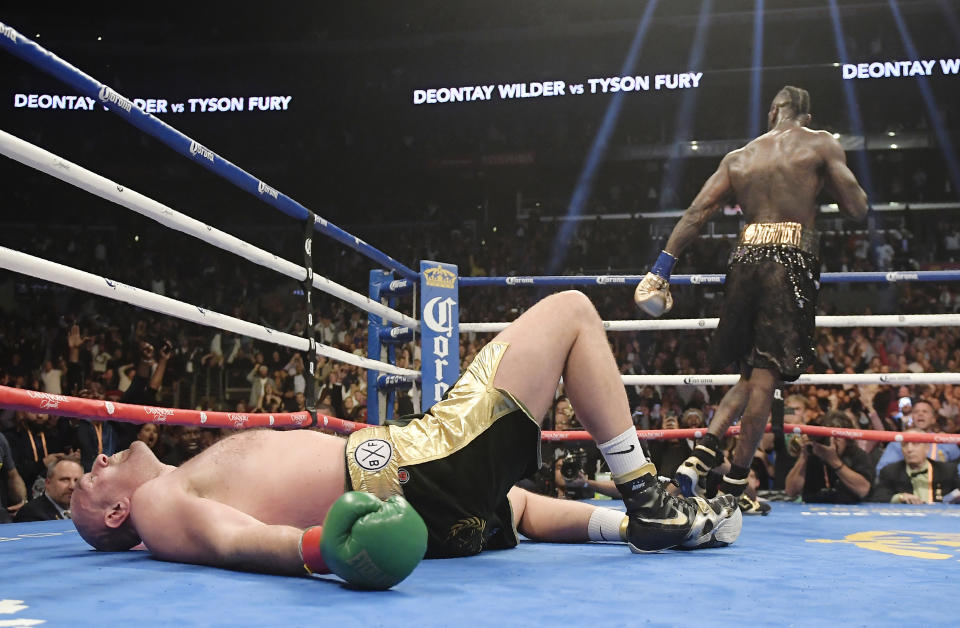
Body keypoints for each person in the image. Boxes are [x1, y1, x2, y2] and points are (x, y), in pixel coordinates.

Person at [70, 291, 740, 589]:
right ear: (115, 513)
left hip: (425, 509)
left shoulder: (175, 483)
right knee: (571, 312)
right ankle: (650, 496)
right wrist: (328, 547)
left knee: (507, 504)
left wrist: (621, 529)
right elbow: (232, 542)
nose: (96, 461)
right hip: (407, 469)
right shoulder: (159, 502)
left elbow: (523, 511)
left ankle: (649, 522)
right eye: (87, 484)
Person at [633, 85, 868, 514]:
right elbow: (857, 208)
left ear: (774, 111)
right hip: (790, 259)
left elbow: (696, 213)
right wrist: (821, 181)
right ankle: (733, 485)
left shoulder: (738, 157)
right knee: (766, 379)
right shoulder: (820, 143)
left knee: (750, 373)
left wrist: (660, 271)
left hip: (743, 259)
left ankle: (700, 456)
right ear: (806, 116)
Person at [783, 411, 873, 504]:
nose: (833, 441)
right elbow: (791, 491)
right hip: (812, 511)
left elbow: (863, 490)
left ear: (847, 439)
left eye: (838, 437)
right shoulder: (813, 452)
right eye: (829, 437)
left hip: (849, 511)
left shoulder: (858, 455)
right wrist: (804, 456)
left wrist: (834, 461)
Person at [872, 429, 960, 504]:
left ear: (927, 448)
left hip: (941, 520)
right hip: (905, 521)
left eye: (915, 444)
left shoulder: (946, 470)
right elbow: (878, 496)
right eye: (905, 445)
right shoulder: (890, 471)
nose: (909, 449)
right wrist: (900, 497)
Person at [873, 399, 960, 474]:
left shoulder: (945, 441)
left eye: (925, 411)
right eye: (916, 412)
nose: (920, 414)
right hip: (906, 487)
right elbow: (881, 471)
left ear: (933, 419)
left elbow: (957, 471)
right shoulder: (900, 441)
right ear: (912, 417)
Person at [14, 459, 83, 522]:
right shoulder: (30, 514)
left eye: (77, 481)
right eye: (65, 480)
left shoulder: (87, 511)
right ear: (47, 483)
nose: (72, 486)